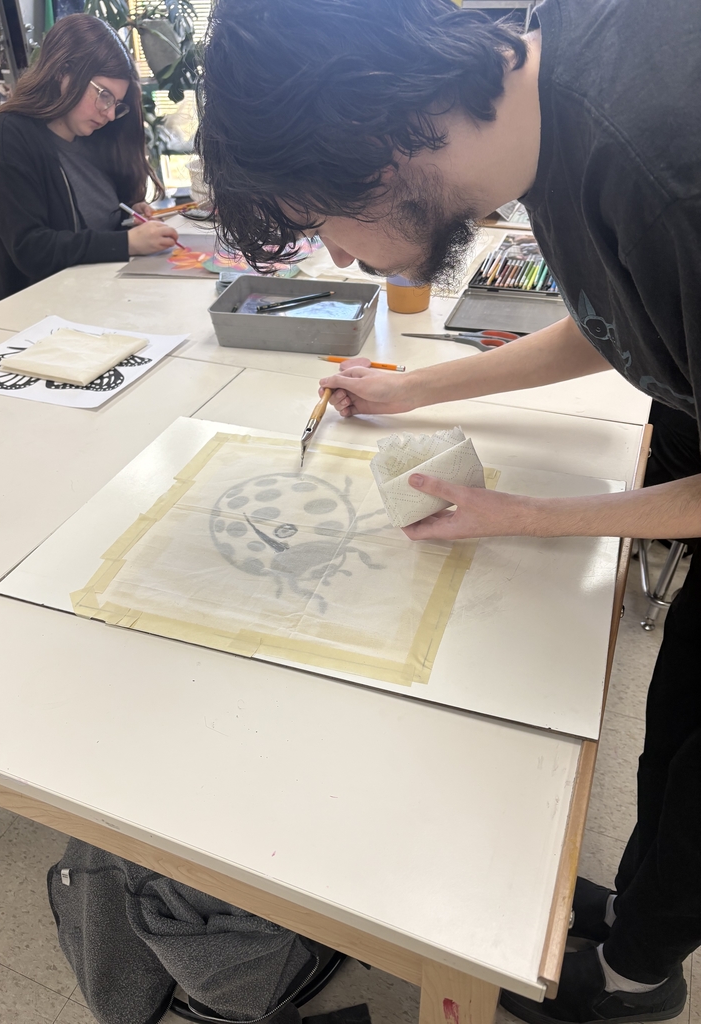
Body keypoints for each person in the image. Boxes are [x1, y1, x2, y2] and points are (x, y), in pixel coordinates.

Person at [196, 1, 701, 1022]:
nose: (335, 258)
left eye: (312, 216)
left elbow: (653, 239)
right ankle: (638, 907)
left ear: (369, 141)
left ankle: (640, 976)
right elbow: (618, 310)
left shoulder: (661, 160)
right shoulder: (546, 109)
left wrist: (514, 514)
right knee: (678, 714)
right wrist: (414, 390)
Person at [0, 14, 178, 300]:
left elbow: (90, 226)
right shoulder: (7, 137)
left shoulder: (90, 134)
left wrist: (127, 217)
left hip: (108, 292)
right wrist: (125, 242)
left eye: (116, 104)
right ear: (62, 72)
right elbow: (31, 248)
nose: (110, 114)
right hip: (51, 311)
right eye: (104, 96)